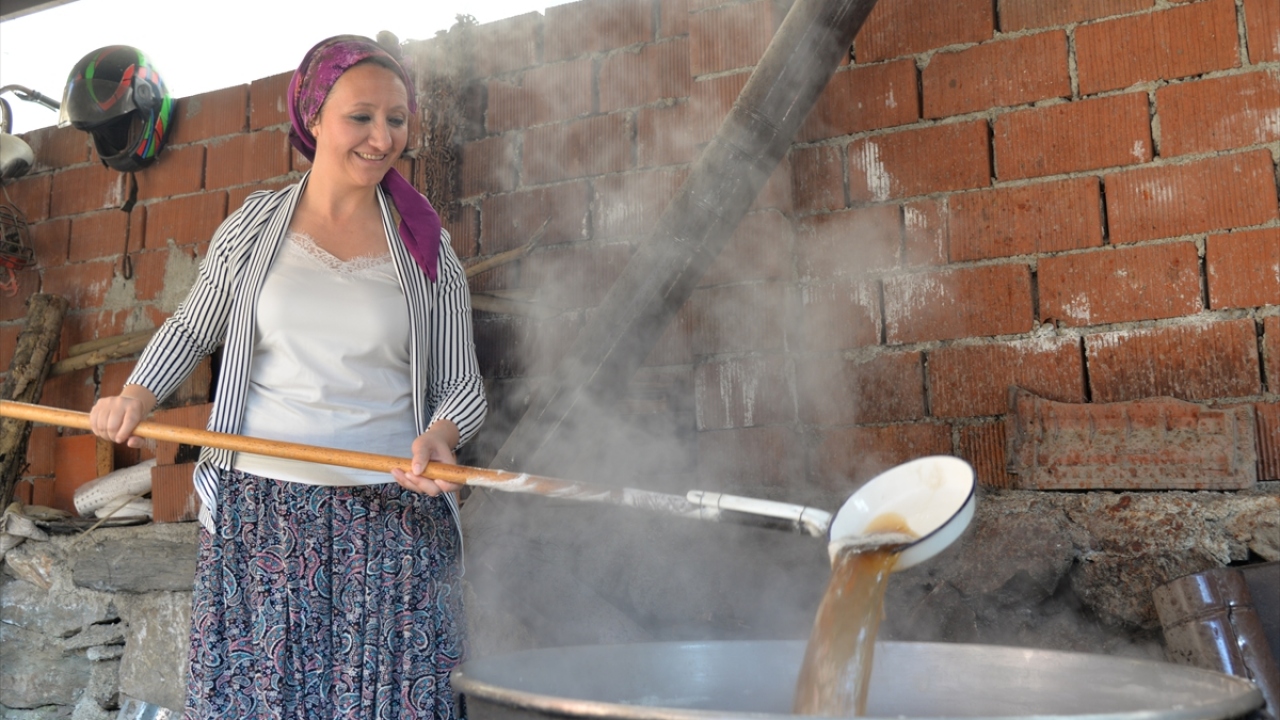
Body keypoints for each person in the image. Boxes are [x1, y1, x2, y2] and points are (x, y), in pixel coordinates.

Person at [88, 34, 486, 719]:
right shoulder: (254, 227)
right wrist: (134, 394)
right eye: (361, 117)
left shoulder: (427, 247)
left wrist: (442, 436)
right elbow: (191, 328)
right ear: (314, 116)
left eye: (396, 119)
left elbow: (463, 386)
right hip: (263, 518)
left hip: (390, 521)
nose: (383, 137)